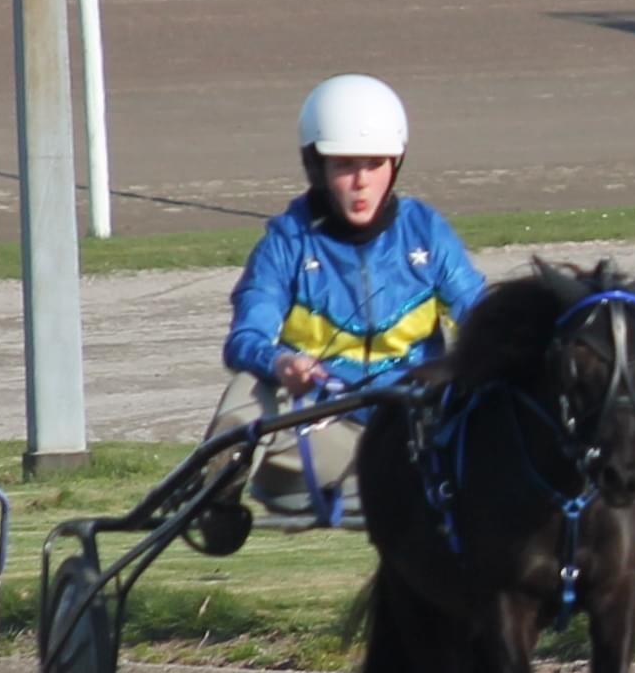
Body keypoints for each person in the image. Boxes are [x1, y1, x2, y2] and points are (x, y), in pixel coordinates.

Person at [197, 73, 487, 553]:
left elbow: (482, 315)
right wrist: (281, 364)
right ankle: (216, 500)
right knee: (248, 389)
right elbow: (245, 339)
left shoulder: (427, 233)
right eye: (344, 165)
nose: (360, 182)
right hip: (315, 438)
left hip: (415, 439)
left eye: (374, 164)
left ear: (395, 164)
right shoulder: (287, 241)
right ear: (316, 166)